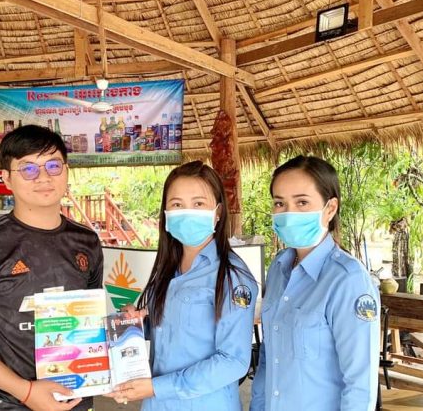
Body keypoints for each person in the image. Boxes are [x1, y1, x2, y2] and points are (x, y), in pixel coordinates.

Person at [0, 124, 103, 411]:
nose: (43, 177)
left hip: (74, 398)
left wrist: (125, 327)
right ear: (6, 178)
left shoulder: (87, 241)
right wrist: (26, 392)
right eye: (28, 169)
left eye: (53, 165)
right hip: (6, 403)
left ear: (66, 171)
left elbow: (90, 321)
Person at [108, 161, 258, 410]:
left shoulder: (232, 276)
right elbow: (170, 332)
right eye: (177, 204)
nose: (187, 212)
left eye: (198, 203)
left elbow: (233, 361)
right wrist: (135, 323)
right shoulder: (168, 268)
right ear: (166, 213)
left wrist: (157, 388)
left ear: (218, 212)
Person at [250, 155, 380, 411]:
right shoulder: (278, 268)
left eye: (302, 202)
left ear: (330, 209)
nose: (289, 213)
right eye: (279, 203)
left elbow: (360, 385)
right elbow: (269, 358)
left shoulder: (348, 280)